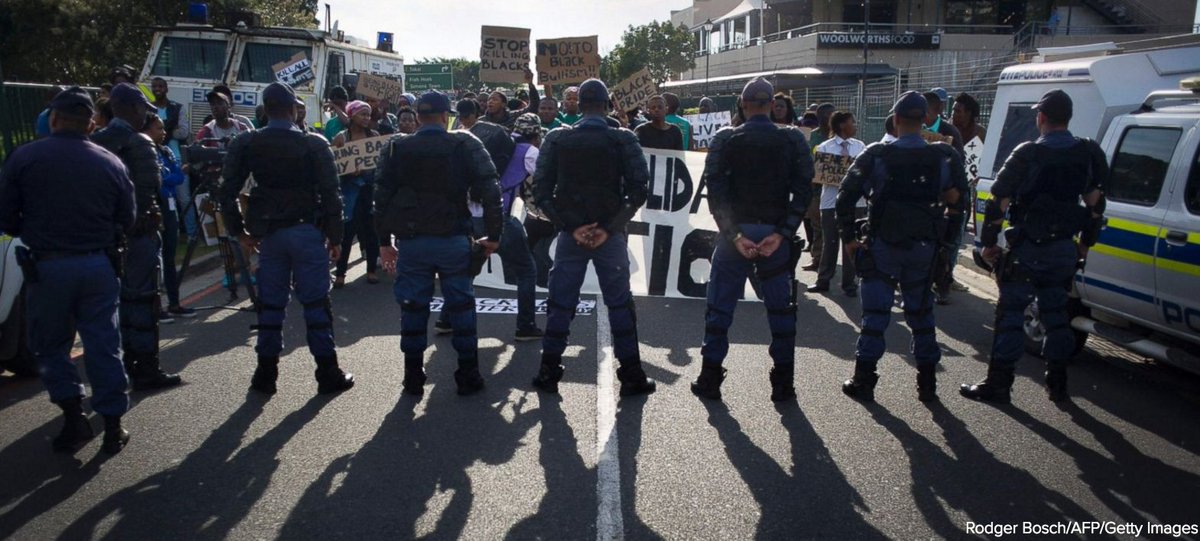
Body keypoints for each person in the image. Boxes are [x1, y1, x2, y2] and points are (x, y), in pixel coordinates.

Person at [0, 87, 134, 454]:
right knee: (103, 344)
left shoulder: (24, 157)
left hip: (48, 267)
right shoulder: (110, 162)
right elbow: (127, 217)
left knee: (49, 346)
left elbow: (7, 218)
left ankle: (73, 417)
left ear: (54, 119)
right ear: (91, 124)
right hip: (98, 265)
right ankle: (112, 425)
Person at [961, 89, 1107, 404]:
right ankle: (1058, 385)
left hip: (1027, 249)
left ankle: (999, 386)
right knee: (1057, 315)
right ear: (1068, 118)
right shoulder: (1087, 153)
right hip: (1063, 249)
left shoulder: (1027, 153)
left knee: (1011, 316)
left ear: (1040, 117)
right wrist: (1084, 246)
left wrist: (989, 244)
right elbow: (1096, 206)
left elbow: (998, 202)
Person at [219, 82, 354, 396]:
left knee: (271, 305)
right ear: (294, 110)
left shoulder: (247, 141)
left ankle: (265, 375)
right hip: (306, 232)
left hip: (269, 235)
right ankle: (327, 373)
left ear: (266, 110)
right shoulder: (313, 143)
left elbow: (225, 192)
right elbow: (332, 195)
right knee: (316, 304)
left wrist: (239, 232)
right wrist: (336, 237)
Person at [529, 78, 656, 397]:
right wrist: (608, 228)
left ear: (579, 104)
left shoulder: (557, 138)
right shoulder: (622, 138)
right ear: (607, 105)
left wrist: (569, 226)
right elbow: (639, 189)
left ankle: (548, 370)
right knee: (620, 303)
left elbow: (540, 191)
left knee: (561, 302)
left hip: (572, 234)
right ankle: (631, 374)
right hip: (609, 235)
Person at [836, 91, 966, 403]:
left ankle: (864, 380)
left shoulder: (877, 154)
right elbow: (959, 203)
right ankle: (927, 385)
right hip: (924, 246)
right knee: (921, 314)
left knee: (875, 315)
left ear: (895, 120)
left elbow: (845, 197)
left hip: (883, 244)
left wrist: (850, 240)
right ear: (925, 121)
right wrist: (947, 247)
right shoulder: (944, 157)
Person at [690, 77, 815, 402]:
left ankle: (709, 378)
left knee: (719, 310)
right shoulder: (791, 138)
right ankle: (783, 383)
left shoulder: (725, 137)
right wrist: (782, 233)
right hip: (774, 236)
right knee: (781, 313)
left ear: (742, 105)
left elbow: (715, 192)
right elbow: (804, 189)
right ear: (772, 105)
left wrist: (734, 235)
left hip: (736, 237)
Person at [375, 90, 502, 397]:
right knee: (461, 307)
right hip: (453, 240)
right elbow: (491, 190)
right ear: (446, 116)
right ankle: (467, 374)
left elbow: (380, 197)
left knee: (412, 307)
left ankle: (412, 376)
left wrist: (383, 242)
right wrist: (494, 235)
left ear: (418, 116)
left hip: (413, 242)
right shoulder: (465, 142)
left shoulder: (396, 146)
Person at [91, 83, 183, 392]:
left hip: (104, 237)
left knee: (112, 305)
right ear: (134, 109)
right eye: (143, 108)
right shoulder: (140, 142)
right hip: (138, 234)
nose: (145, 114)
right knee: (143, 301)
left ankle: (118, 369)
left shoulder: (94, 142)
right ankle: (145, 368)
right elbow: (148, 191)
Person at [435, 112, 544, 342]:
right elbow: (544, 179)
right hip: (500, 218)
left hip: (470, 217)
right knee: (526, 270)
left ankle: (446, 320)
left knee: (468, 269)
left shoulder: (487, 146)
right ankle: (525, 326)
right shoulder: (529, 152)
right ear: (536, 135)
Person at [141, 113, 194, 321]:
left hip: (170, 210)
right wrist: (168, 178)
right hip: (155, 209)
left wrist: (169, 177)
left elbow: (177, 177)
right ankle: (156, 306)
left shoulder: (166, 151)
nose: (163, 133)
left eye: (163, 128)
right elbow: (159, 181)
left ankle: (174, 302)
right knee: (155, 260)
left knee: (170, 258)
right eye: (158, 128)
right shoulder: (143, 153)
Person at [809, 111, 865, 296]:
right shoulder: (824, 147)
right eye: (852, 122)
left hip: (855, 203)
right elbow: (818, 173)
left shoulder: (860, 147)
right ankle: (823, 280)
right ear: (842, 125)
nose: (855, 125)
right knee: (830, 242)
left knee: (851, 241)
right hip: (830, 202)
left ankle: (850, 284)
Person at [332, 100, 381, 289]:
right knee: (347, 232)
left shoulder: (374, 136)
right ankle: (340, 273)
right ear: (352, 115)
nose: (367, 118)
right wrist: (348, 171)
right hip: (349, 190)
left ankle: (371, 270)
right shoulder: (341, 137)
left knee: (371, 231)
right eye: (363, 114)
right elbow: (332, 165)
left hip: (368, 190)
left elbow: (379, 163)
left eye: (368, 114)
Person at [802, 103, 836, 271]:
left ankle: (829, 259)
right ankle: (817, 258)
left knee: (832, 229)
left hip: (835, 189)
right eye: (825, 115)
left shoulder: (839, 138)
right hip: (815, 189)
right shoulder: (811, 137)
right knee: (817, 225)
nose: (828, 118)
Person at [923, 88, 965, 156]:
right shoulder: (915, 128)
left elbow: (959, 158)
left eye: (943, 103)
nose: (942, 106)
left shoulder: (951, 131)